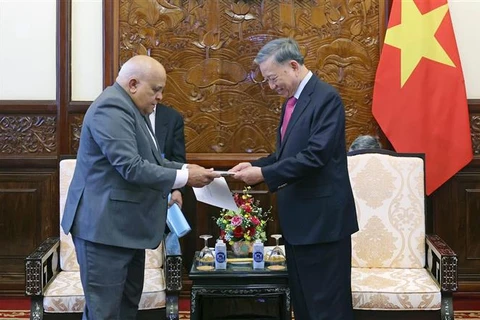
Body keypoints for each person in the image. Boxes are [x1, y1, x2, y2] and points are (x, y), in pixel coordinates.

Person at [61, 55, 220, 320]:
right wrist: (184, 179)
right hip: (103, 231)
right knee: (105, 313)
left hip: (125, 228)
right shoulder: (111, 107)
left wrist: (186, 170)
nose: (159, 97)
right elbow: (131, 166)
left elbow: (154, 161)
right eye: (156, 90)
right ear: (133, 84)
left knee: (126, 307)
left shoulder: (134, 109)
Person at [230, 38, 358, 320]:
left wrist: (263, 174)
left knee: (327, 308)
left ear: (293, 66)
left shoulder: (326, 98)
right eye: (267, 80)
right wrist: (254, 166)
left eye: (273, 78)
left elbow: (315, 156)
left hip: (322, 225)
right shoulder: (292, 102)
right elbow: (285, 155)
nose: (271, 86)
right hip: (299, 223)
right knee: (303, 305)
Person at [149, 103, 186, 209]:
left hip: (163, 195)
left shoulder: (172, 117)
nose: (159, 96)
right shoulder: (126, 115)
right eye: (155, 90)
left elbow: (178, 158)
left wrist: (177, 190)